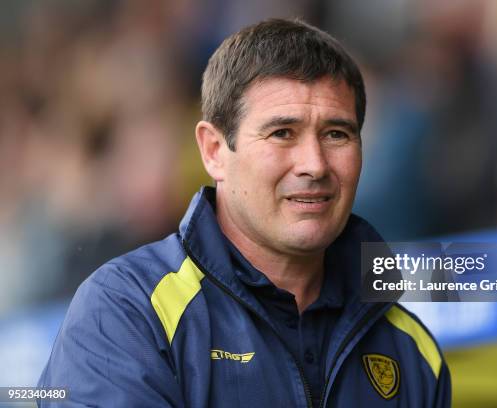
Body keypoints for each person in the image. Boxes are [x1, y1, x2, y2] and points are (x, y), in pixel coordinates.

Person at [38, 18, 451, 407]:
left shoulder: (411, 349)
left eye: (336, 134)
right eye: (282, 133)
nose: (315, 164)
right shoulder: (127, 312)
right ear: (214, 151)